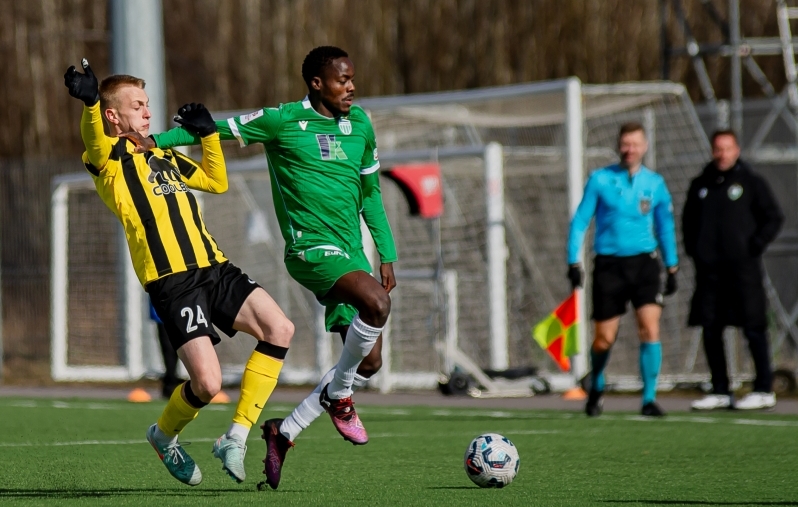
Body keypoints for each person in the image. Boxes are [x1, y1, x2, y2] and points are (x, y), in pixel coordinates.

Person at [140, 46, 397, 489]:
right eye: (342, 80)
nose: (351, 86)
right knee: (375, 304)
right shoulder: (281, 121)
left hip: (353, 254)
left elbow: (370, 194)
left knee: (368, 363)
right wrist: (155, 142)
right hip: (310, 250)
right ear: (317, 83)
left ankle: (285, 430)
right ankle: (339, 398)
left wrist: (386, 252)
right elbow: (216, 129)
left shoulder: (361, 125)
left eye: (353, 78)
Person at [64, 59, 295, 487]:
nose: (148, 112)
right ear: (115, 115)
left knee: (280, 328)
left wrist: (209, 135)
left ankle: (237, 435)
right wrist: (92, 103)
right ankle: (164, 435)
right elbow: (93, 136)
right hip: (172, 280)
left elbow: (215, 181)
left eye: (148, 103)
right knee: (206, 384)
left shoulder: (163, 153)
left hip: (215, 266)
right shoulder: (107, 159)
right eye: (138, 105)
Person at [567, 122, 678, 418]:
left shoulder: (655, 183)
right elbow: (579, 222)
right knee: (604, 337)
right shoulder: (600, 180)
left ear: (644, 147)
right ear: (618, 146)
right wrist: (573, 262)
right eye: (625, 144)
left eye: (635, 144)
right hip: (609, 265)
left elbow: (665, 226)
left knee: (650, 328)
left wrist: (672, 264)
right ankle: (597, 384)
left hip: (644, 264)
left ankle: (649, 399)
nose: (630, 149)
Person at [683, 130, 784, 411]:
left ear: (736, 150)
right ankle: (720, 389)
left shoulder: (751, 182)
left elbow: (773, 217)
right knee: (711, 328)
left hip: (743, 270)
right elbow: (688, 222)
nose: (722, 154)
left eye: (727, 148)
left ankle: (763, 388)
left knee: (753, 327)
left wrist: (753, 245)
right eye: (718, 149)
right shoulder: (700, 185)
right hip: (709, 272)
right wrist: (697, 251)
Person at [149, 299, 181, 398]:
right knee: (168, 344)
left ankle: (171, 380)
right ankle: (171, 381)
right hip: (163, 300)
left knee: (176, 344)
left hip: (181, 303)